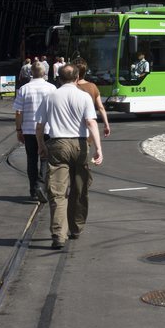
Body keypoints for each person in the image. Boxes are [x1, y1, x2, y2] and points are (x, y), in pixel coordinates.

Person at [35, 64, 104, 249]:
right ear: (77, 78)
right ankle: (76, 228)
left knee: (57, 192)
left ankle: (58, 234)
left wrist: (41, 145)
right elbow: (90, 122)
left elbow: (40, 126)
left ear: (58, 78)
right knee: (80, 188)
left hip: (57, 144)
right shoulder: (84, 97)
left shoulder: (50, 97)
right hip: (80, 144)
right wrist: (98, 148)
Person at [14, 61, 56, 202]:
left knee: (31, 159)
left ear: (31, 73)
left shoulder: (24, 89)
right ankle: (41, 185)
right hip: (47, 129)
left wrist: (19, 129)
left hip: (29, 129)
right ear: (44, 73)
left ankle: (33, 190)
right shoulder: (52, 88)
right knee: (45, 158)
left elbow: (18, 112)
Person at [73, 58, 112, 138]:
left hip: (72, 127)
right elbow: (100, 107)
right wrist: (106, 124)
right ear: (85, 72)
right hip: (88, 127)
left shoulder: (70, 87)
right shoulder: (92, 86)